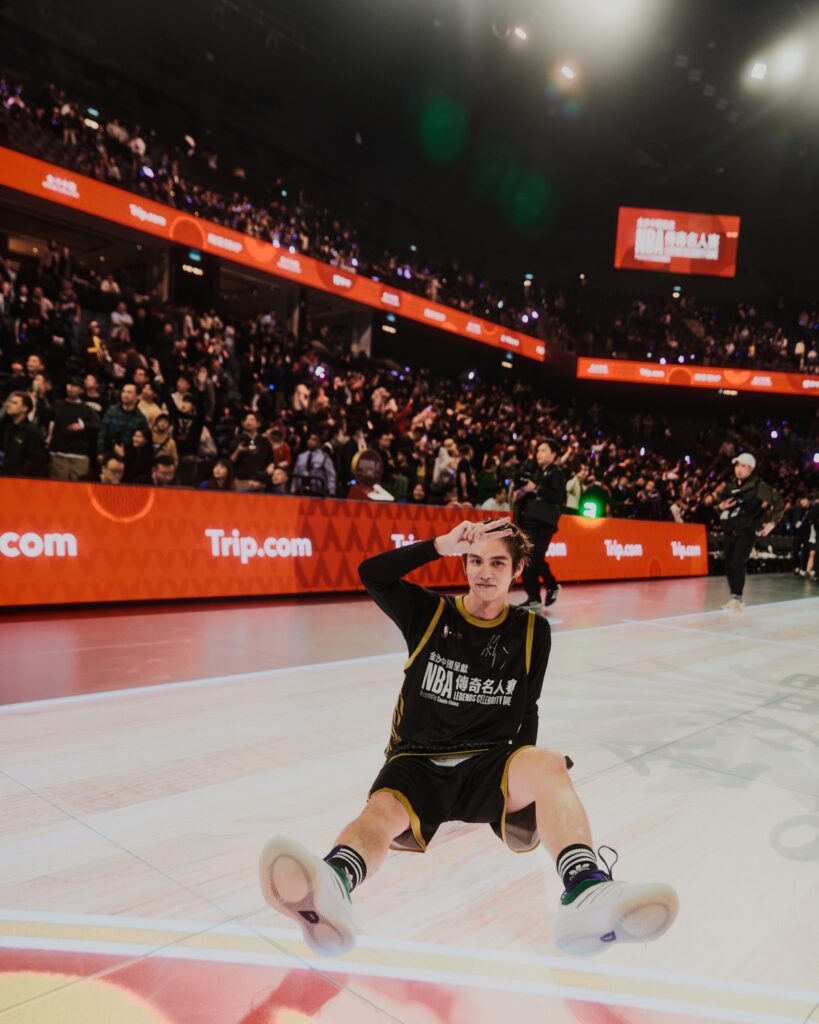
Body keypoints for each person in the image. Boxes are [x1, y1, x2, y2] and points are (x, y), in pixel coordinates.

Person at [259, 517, 678, 958]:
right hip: (418, 759)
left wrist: (524, 800)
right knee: (380, 814)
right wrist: (438, 545)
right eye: (475, 560)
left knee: (548, 762)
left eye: (497, 563)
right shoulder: (429, 613)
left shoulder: (533, 632)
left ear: (517, 570)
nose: (484, 572)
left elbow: (527, 708)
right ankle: (332, 884)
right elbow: (372, 574)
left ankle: (584, 891)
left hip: (489, 765)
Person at [716, 452, 784, 611]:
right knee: (729, 564)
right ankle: (734, 597)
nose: (739, 469)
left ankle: (737, 599)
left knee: (737, 562)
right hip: (730, 529)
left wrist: (771, 524)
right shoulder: (730, 486)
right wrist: (720, 507)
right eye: (737, 466)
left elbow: (778, 502)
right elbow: (719, 506)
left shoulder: (758, 486)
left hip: (748, 530)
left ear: (751, 469)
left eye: (743, 466)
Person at [519, 439, 566, 610]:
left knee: (536, 558)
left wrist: (536, 489)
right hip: (530, 520)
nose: (539, 453)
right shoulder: (538, 473)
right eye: (538, 450)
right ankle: (533, 598)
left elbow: (557, 497)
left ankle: (552, 585)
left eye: (544, 450)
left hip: (544, 522)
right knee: (526, 559)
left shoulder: (556, 473)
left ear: (554, 454)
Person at [46, 377, 99, 481]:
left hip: (79, 455)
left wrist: (83, 426)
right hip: (59, 453)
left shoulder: (86, 408)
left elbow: (97, 424)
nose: (70, 388)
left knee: (79, 487)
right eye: (69, 384)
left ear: (81, 390)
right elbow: (46, 418)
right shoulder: (57, 404)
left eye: (74, 386)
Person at [0, 392, 48, 478]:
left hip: (22, 479)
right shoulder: (7, 427)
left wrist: (20, 475)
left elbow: (36, 461)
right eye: (10, 402)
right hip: (5, 477)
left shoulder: (32, 431)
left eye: (14, 403)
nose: (8, 405)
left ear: (24, 408)